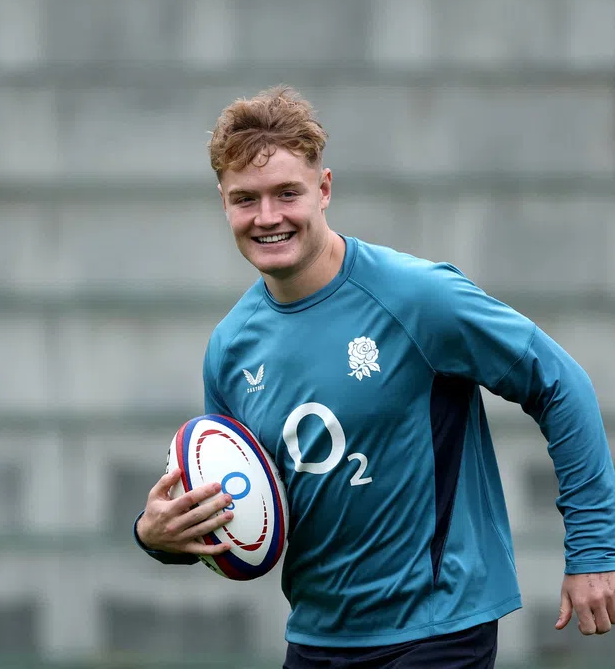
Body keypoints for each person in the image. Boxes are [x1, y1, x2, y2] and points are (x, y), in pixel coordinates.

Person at [132, 86, 615, 668]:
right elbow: (240, 515)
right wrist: (157, 537)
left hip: (437, 631)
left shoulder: (417, 297)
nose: (267, 217)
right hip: (316, 637)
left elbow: (561, 384)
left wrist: (593, 551)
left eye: (288, 193)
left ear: (324, 188)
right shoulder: (230, 348)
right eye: (246, 199)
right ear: (223, 202)